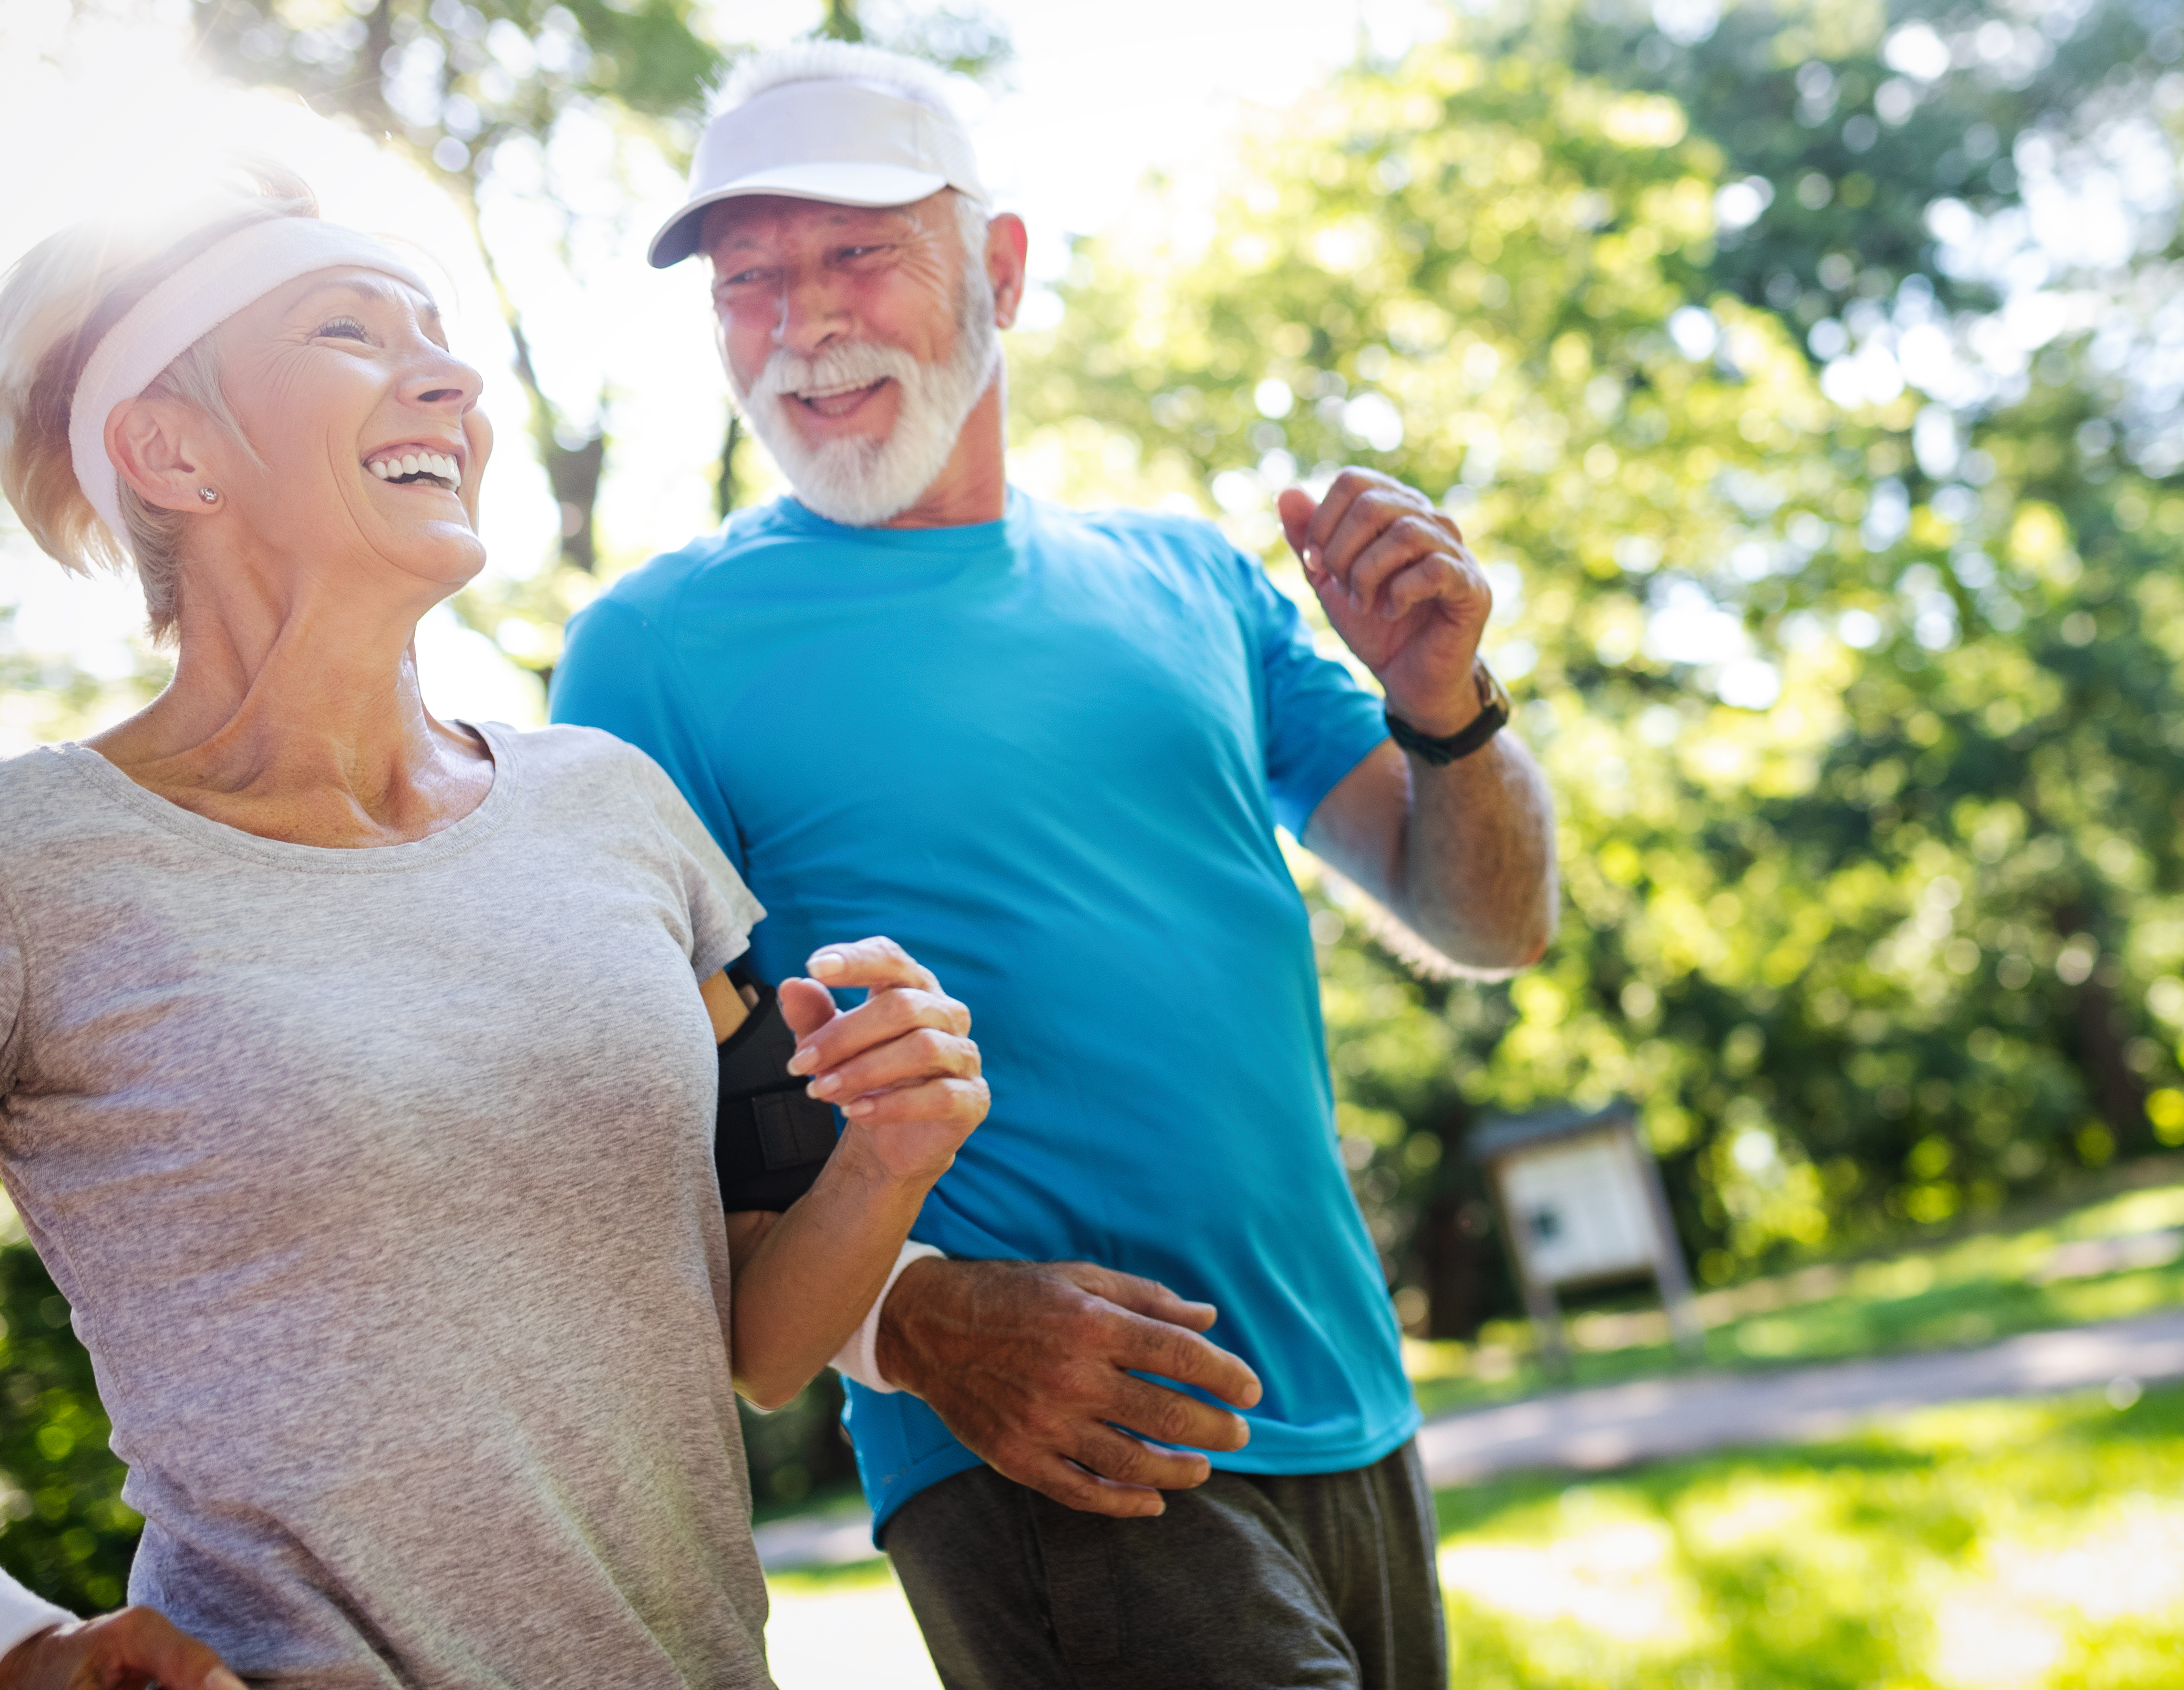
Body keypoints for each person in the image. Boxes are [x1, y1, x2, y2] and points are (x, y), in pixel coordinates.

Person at [550, 40, 1560, 1689]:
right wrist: (927, 1328)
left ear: (1000, 271)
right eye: (749, 280)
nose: (800, 321)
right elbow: (640, 1144)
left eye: (857, 255)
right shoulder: (652, 651)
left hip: (1354, 1407)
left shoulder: (1184, 580)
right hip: (1055, 1447)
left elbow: (1489, 918)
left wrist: (1446, 707)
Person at [0, 164, 988, 1690]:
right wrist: (8, 1648)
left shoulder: (613, 808)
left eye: (437, 331)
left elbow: (760, 1343)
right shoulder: (6, 854)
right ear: (171, 448)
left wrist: (893, 1155)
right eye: (349, 330)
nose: (451, 376)